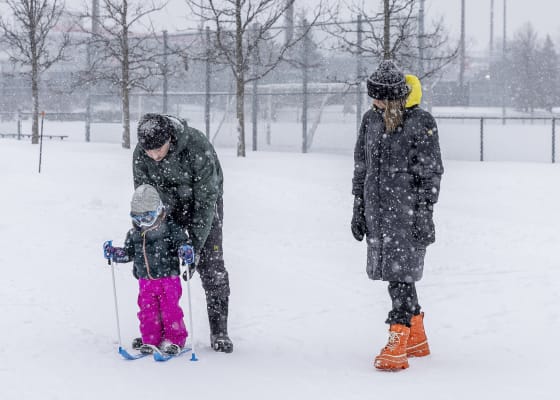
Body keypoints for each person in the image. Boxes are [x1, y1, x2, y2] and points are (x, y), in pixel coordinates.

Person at [351, 60, 444, 371]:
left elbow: (430, 174)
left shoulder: (421, 122)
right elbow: (361, 167)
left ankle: (398, 337)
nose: (374, 102)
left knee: (399, 275)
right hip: (378, 211)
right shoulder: (371, 120)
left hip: (407, 213)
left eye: (379, 97)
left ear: (393, 96)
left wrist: (423, 213)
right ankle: (416, 337)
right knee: (395, 273)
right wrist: (358, 207)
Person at [132, 113, 233, 353]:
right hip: (166, 209)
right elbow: (144, 193)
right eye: (149, 152)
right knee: (161, 264)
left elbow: (207, 200)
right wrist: (156, 228)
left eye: (159, 150)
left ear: (170, 138)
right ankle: (160, 330)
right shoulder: (141, 153)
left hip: (204, 204)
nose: (154, 156)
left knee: (212, 267)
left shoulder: (197, 147)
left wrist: (195, 248)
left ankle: (219, 331)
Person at [103, 184, 195, 355]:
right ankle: (150, 340)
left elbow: (183, 242)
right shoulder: (134, 234)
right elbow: (128, 253)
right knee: (147, 312)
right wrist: (115, 254)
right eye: (138, 219)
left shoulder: (170, 228)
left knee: (170, 311)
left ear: (158, 210)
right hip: (145, 281)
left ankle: (175, 340)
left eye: (147, 218)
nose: (142, 223)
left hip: (168, 279)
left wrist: (185, 250)